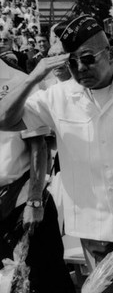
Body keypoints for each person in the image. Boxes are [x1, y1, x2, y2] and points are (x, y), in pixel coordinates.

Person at [0, 15, 113, 293]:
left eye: (88, 58)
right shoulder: (56, 96)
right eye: (72, 62)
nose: (80, 69)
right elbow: (4, 120)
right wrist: (35, 76)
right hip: (94, 228)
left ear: (111, 53)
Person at [0, 58, 75, 293]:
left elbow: (38, 145)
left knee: (43, 279)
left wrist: (34, 200)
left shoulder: (19, 82)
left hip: (21, 203)